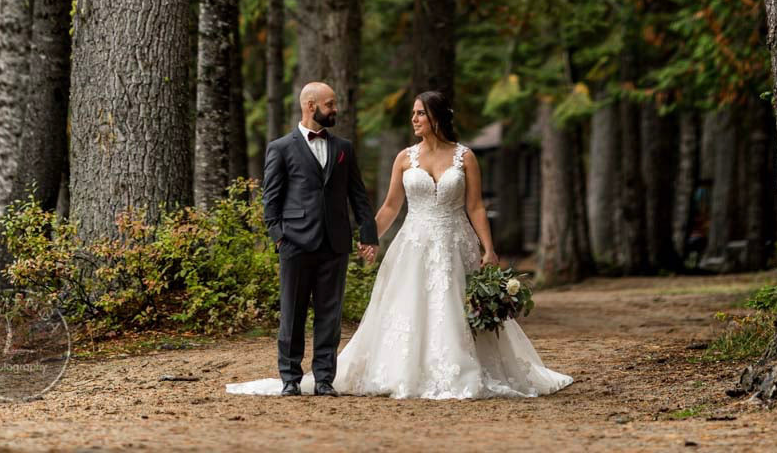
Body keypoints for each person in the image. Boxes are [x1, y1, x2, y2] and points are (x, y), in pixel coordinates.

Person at [227, 89, 573, 400]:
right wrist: (368, 238)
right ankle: (311, 376)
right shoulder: (404, 157)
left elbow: (476, 206)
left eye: (419, 113)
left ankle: (458, 369)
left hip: (455, 242)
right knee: (399, 308)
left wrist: (489, 248)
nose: (414, 119)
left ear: (436, 117)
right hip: (412, 244)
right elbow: (390, 206)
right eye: (412, 113)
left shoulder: (464, 157)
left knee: (452, 308)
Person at [255, 81, 378, 396]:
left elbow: (358, 195)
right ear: (310, 105)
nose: (335, 110)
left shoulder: (344, 149)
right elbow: (271, 200)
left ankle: (324, 379)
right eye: (330, 104)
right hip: (295, 243)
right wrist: (280, 238)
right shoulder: (280, 148)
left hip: (335, 243)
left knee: (330, 315)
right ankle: (290, 379)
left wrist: (368, 235)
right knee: (292, 314)